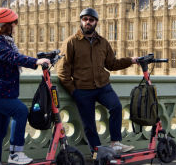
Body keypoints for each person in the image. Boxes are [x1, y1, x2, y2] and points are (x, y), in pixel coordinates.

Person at [57, 8, 138, 154]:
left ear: (96, 22)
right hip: (82, 89)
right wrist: (73, 91)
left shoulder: (103, 42)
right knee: (89, 125)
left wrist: (131, 61)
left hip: (103, 86)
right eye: (85, 19)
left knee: (116, 107)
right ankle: (98, 153)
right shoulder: (71, 42)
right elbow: (62, 70)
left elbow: (112, 64)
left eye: (91, 20)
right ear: (81, 21)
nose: (88, 22)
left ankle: (115, 143)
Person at [0, 8, 50, 165]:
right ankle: (16, 153)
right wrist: (36, 62)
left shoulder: (4, 41)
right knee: (21, 111)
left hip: (3, 92)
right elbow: (12, 57)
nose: (15, 27)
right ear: (5, 25)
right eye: (13, 24)